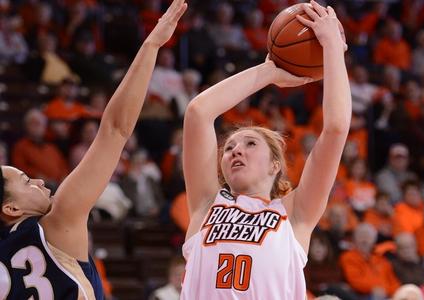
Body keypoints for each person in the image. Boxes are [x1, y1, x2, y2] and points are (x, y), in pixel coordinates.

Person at [0, 1, 187, 299]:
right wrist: (152, 44)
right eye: (25, 181)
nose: (37, 181)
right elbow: (115, 129)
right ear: (11, 209)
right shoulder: (58, 223)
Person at [181, 1, 350, 299]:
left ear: (275, 165)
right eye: (229, 147)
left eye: (249, 144)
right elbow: (198, 112)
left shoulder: (295, 214)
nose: (235, 151)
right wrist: (270, 71)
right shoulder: (206, 205)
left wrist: (332, 48)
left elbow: (335, 129)